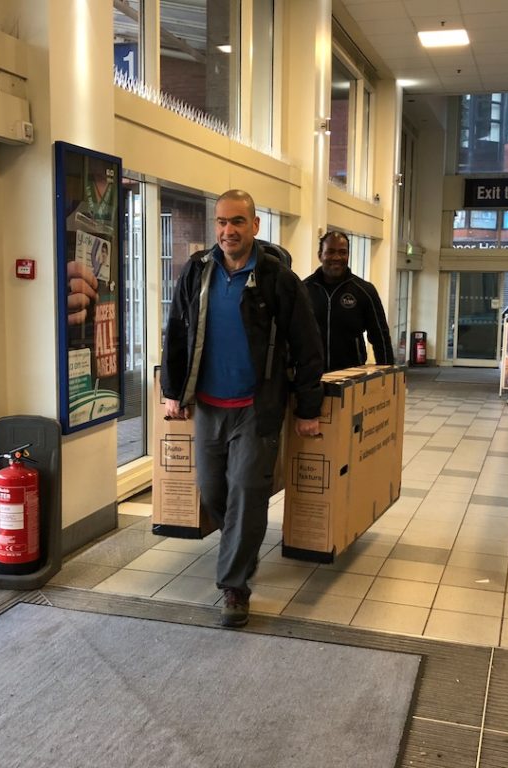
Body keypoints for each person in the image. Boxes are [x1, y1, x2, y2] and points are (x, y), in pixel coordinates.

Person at [161, 190, 324, 628]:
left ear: (255, 226)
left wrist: (309, 408)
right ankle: (243, 548)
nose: (227, 231)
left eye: (237, 222)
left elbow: (309, 347)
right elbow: (176, 330)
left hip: (257, 405)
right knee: (215, 491)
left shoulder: (277, 279)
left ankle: (234, 586)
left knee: (248, 491)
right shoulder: (197, 271)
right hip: (210, 405)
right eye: (220, 222)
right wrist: (172, 390)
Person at [303, 230, 395, 371]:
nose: (337, 257)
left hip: (351, 377)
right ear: (320, 255)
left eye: (342, 252)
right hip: (311, 377)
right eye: (330, 251)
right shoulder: (303, 290)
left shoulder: (365, 291)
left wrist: (388, 376)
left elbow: (380, 338)